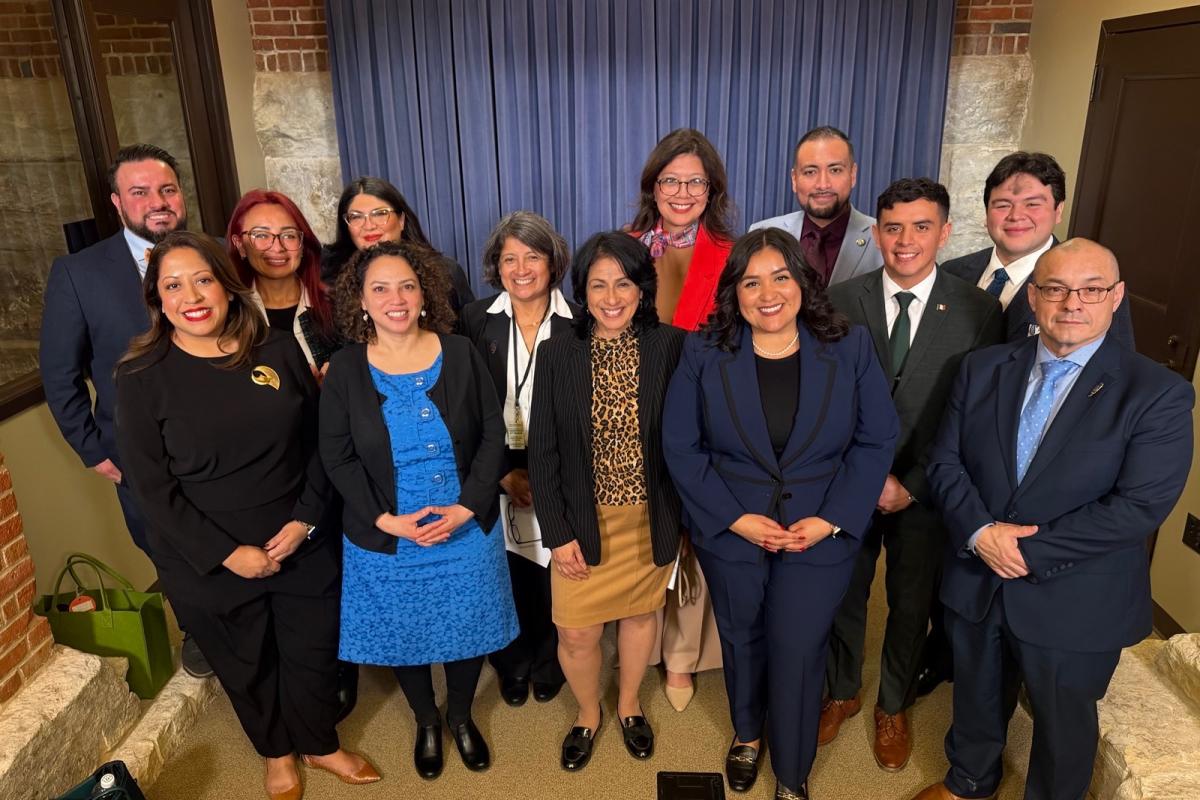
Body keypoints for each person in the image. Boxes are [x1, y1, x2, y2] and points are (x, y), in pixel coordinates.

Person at [910, 239, 1193, 800]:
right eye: (1057, 289)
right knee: (976, 691)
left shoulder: (1158, 392)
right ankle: (969, 780)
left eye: (1091, 290)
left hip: (1075, 592)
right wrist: (981, 533)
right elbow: (943, 460)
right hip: (978, 570)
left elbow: (1139, 506)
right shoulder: (982, 368)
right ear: (1034, 297)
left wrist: (1023, 551)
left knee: (1063, 720)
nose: (1072, 303)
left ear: (1116, 299)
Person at [114, 231, 379, 800]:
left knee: (312, 653)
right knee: (247, 663)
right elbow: (152, 490)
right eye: (173, 285)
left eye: (204, 279)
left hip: (298, 539)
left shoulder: (278, 350)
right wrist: (229, 554)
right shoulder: (140, 377)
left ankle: (320, 742)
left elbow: (319, 446)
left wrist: (305, 521)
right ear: (157, 300)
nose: (192, 294)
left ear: (229, 288)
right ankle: (277, 753)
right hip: (207, 558)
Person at [662, 227, 898, 799]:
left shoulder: (850, 347)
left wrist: (834, 518)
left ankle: (792, 775)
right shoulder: (703, 351)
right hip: (733, 530)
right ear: (734, 292)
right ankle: (747, 733)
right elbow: (681, 447)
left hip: (818, 533)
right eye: (751, 281)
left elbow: (876, 440)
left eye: (780, 277)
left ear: (802, 282)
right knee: (742, 638)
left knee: (797, 648)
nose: (767, 293)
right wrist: (734, 518)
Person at [918, 151, 1137, 698]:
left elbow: (1104, 400)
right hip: (959, 465)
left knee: (1018, 628)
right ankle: (942, 658)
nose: (1016, 214)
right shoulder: (958, 271)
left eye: (1032, 202)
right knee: (946, 586)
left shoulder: (1087, 285)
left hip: (1034, 486)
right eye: (1002, 203)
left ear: (1057, 210)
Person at [821, 179, 1002, 772]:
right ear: (876, 233)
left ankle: (892, 704)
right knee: (843, 593)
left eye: (921, 227)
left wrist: (914, 482)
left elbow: (974, 412)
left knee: (909, 599)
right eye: (893, 227)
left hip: (927, 488)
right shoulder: (840, 299)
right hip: (849, 481)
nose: (905, 241)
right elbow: (824, 398)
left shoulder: (978, 310)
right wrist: (863, 477)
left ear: (945, 233)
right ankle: (843, 689)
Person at [319, 240, 517, 781]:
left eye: (406, 285)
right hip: (386, 531)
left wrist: (467, 507)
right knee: (403, 632)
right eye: (380, 288)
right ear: (361, 300)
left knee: (466, 626)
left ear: (424, 293)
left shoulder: (458, 352)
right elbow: (336, 457)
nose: (395, 298)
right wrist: (386, 521)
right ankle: (426, 720)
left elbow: (492, 435)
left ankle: (459, 715)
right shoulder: (344, 369)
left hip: (462, 522)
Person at [39, 143, 211, 678]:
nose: (157, 201)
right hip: (136, 451)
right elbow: (59, 375)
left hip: (224, 438)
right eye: (140, 192)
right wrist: (94, 452)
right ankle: (200, 632)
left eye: (167, 189)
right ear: (117, 202)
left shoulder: (219, 253)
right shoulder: (78, 274)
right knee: (167, 546)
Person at [528, 232, 685, 771]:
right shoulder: (556, 351)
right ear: (582, 292)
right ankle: (588, 713)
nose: (611, 296)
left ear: (642, 288)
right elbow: (542, 451)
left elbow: (688, 439)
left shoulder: (672, 346)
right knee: (576, 629)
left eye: (623, 283)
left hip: (649, 518)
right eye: (598, 284)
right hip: (581, 521)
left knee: (641, 616)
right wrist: (557, 531)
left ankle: (629, 704)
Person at [628, 127, 732, 709]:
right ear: (653, 185)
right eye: (671, 179)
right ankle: (640, 646)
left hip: (703, 416)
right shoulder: (624, 247)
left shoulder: (730, 251)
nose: (682, 190)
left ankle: (684, 658)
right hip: (633, 417)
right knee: (644, 533)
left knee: (692, 535)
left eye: (695, 180)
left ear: (711, 187)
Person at [459, 211, 576, 707]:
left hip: (562, 466)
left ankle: (550, 661)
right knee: (504, 570)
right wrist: (502, 472)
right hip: (494, 462)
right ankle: (512, 662)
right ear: (496, 266)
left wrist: (547, 478)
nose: (522, 267)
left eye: (533, 256)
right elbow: (461, 408)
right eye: (510, 258)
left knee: (555, 570)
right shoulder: (473, 320)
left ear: (552, 263)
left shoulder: (581, 325)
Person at [750, 126, 883, 286]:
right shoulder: (760, 233)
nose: (822, 184)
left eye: (835, 170)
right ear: (794, 179)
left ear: (852, 175)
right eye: (810, 172)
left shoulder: (883, 238)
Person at [227, 189, 339, 375]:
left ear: (302, 245)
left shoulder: (337, 305)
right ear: (240, 245)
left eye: (289, 235)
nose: (277, 247)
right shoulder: (230, 315)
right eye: (261, 235)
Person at [321, 176, 474, 312]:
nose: (368, 225)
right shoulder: (330, 281)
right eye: (356, 217)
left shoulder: (446, 272)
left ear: (401, 220)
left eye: (380, 214)